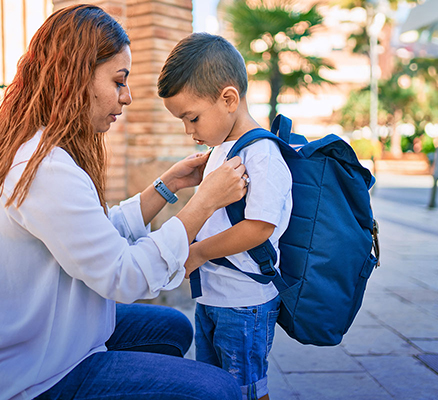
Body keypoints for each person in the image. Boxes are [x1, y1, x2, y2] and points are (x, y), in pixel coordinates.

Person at [0, 5, 249, 400]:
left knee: (174, 328)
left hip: (51, 337)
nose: (126, 97)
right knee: (219, 390)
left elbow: (94, 236)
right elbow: (124, 276)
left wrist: (167, 186)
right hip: (34, 379)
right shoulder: (44, 168)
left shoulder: (38, 152)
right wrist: (203, 204)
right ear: (75, 76)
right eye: (118, 80)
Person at [157, 32, 294, 400]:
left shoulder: (261, 152)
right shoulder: (222, 148)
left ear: (229, 99)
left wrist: (199, 252)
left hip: (245, 301)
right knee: (213, 387)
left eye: (193, 118)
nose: (190, 131)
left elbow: (259, 227)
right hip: (214, 298)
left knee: (245, 390)